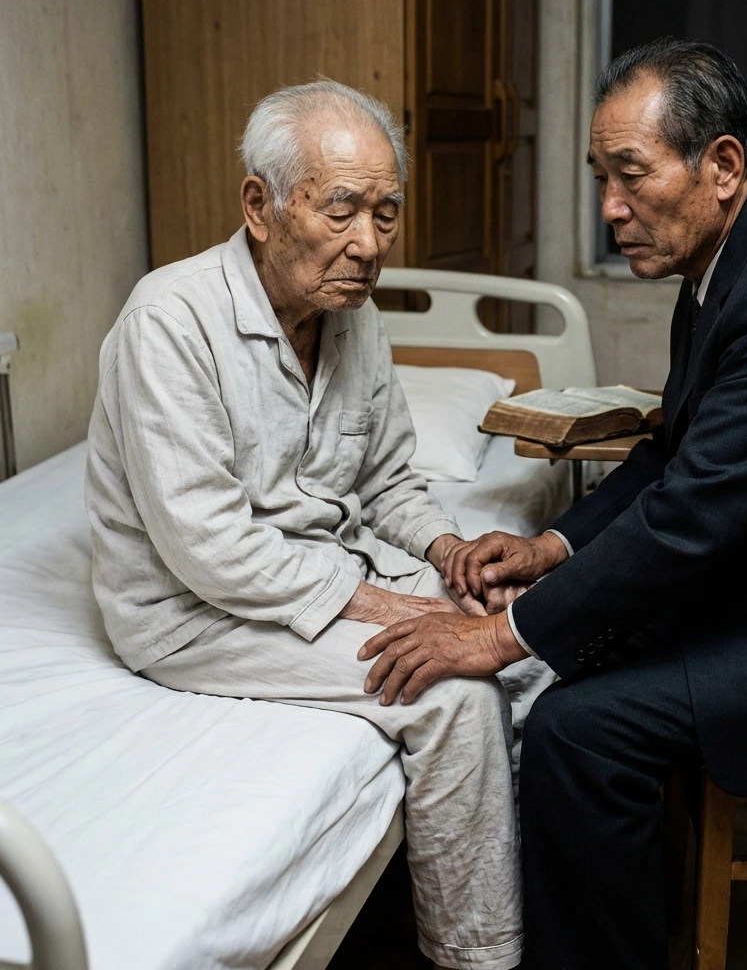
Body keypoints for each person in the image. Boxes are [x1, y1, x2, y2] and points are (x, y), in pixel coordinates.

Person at [359, 39, 747, 969]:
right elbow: (670, 454)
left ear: (723, 165)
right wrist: (552, 550)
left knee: (579, 730)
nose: (610, 207)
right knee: (575, 664)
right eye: (600, 178)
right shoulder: (729, 262)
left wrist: (497, 636)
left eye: (632, 174)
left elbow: (693, 520)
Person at [85, 80, 532, 970]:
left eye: (385, 213)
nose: (368, 245)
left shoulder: (351, 317)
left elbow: (388, 480)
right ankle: (478, 955)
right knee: (452, 690)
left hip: (324, 567)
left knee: (538, 638)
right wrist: (402, 612)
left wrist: (449, 554)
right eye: (342, 210)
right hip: (194, 612)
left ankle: (533, 894)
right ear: (260, 206)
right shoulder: (169, 323)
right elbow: (210, 547)